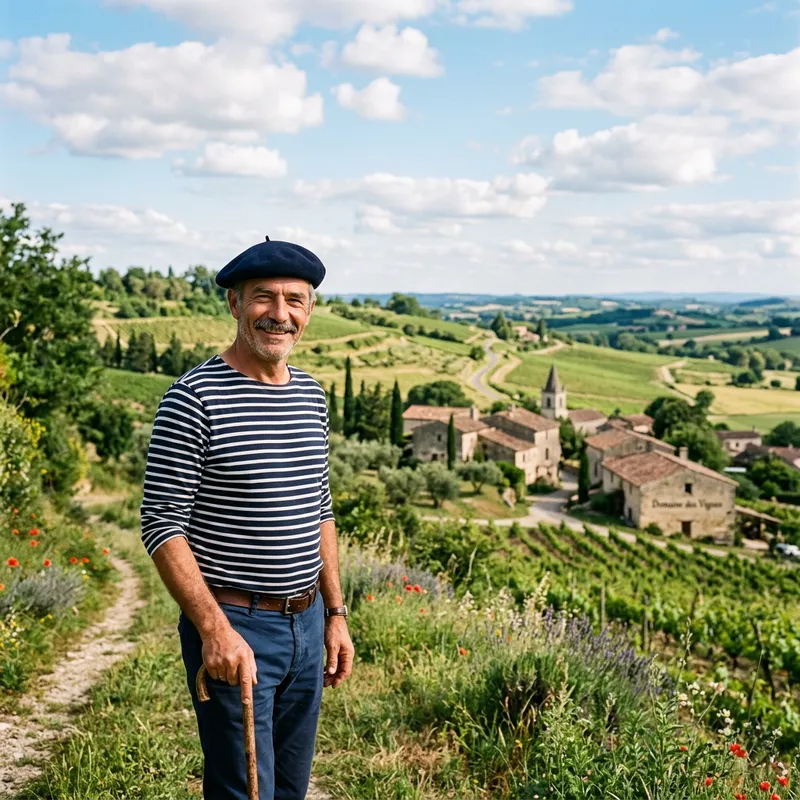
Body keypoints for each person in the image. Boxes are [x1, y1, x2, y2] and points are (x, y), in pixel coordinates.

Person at [140, 237, 354, 800]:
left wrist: (335, 613)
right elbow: (161, 525)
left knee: (289, 789)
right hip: (238, 626)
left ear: (309, 311)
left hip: (306, 624)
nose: (279, 314)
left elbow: (320, 509)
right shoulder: (193, 398)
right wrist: (214, 630)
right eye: (264, 298)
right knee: (244, 792)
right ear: (235, 304)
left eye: (295, 300)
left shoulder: (310, 395)